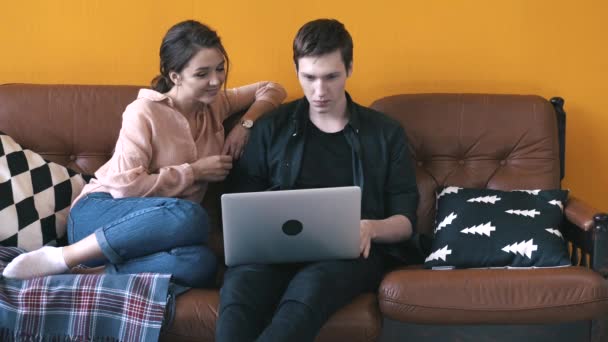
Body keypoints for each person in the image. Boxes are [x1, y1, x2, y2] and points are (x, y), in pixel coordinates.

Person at [2, 20, 287, 288]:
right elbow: (126, 188)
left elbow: (272, 88)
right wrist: (194, 172)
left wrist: (245, 125)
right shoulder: (144, 112)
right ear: (175, 76)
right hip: (101, 213)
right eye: (202, 74)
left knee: (201, 263)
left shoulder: (216, 105)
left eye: (220, 69)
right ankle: (63, 257)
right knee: (193, 216)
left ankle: (90, 275)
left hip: (153, 232)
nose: (215, 81)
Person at [216, 18, 418, 341]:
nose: (319, 91)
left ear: (350, 68)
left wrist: (370, 227)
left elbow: (406, 220)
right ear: (296, 70)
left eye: (331, 77)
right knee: (239, 288)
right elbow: (242, 206)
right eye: (309, 77)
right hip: (272, 252)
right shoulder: (271, 128)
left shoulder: (385, 133)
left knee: (311, 287)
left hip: (347, 257)